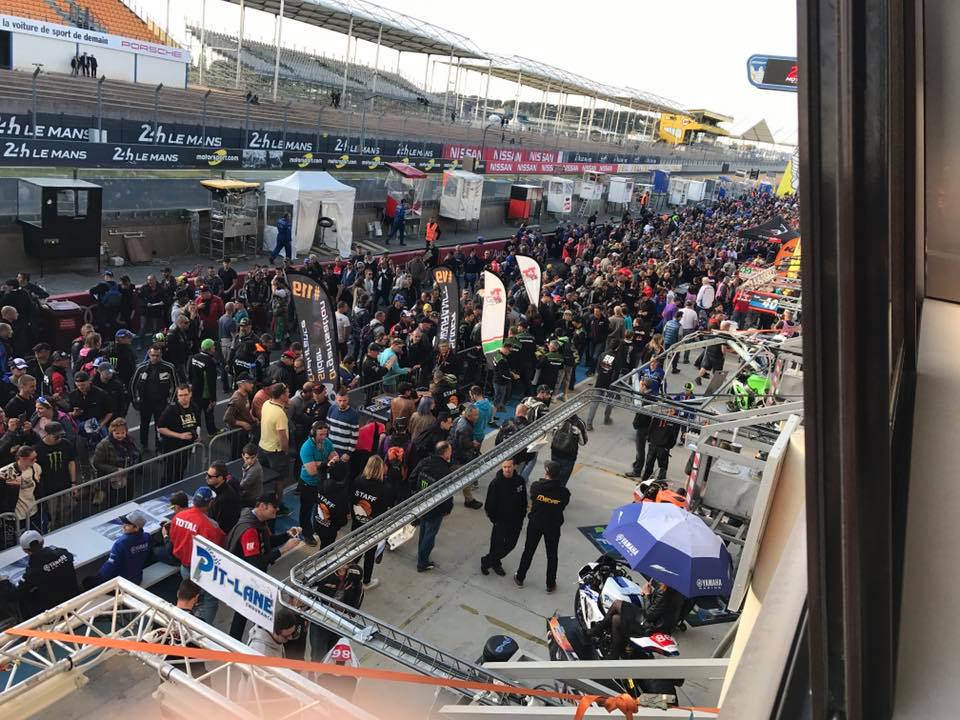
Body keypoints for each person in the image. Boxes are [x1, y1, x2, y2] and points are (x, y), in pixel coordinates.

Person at [225, 493, 301, 640]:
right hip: (247, 579)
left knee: (254, 612)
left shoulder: (259, 523)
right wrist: (284, 549)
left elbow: (267, 542)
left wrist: (287, 535)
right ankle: (237, 644)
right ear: (262, 506)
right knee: (244, 613)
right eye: (274, 507)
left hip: (253, 577)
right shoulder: (250, 530)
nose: (277, 509)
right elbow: (256, 563)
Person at [169, 486, 225, 625]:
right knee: (208, 601)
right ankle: (203, 631)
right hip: (202, 572)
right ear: (210, 503)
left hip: (185, 567)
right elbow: (218, 551)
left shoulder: (178, 517)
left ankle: (183, 625)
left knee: (188, 598)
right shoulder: (211, 526)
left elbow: (173, 539)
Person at [589, 580, 686, 659]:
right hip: (665, 625)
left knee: (617, 604)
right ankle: (614, 653)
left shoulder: (664, 590)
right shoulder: (679, 590)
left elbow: (649, 615)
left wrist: (646, 595)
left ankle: (597, 630)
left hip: (651, 625)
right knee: (616, 619)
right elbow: (663, 608)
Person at [513, 460, 570, 593]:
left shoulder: (536, 487)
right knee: (552, 554)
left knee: (528, 551)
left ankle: (520, 577)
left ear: (547, 473)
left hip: (536, 524)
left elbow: (533, 497)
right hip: (553, 526)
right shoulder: (564, 493)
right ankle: (550, 584)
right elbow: (563, 505)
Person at [350, 455, 395, 590]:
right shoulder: (385, 487)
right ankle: (366, 581)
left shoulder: (357, 480)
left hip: (357, 523)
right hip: (373, 526)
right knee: (370, 553)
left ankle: (348, 573)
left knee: (355, 551)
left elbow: (351, 499)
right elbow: (387, 508)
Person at [409, 440, 453, 572]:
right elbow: (448, 493)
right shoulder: (445, 470)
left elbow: (412, 478)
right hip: (436, 508)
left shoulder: (425, 462)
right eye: (450, 450)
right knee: (430, 534)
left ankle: (421, 555)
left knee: (423, 529)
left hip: (421, 503)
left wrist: (415, 493)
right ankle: (422, 562)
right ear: (445, 453)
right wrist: (447, 509)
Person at [16, 529, 79, 618]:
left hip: (54, 609)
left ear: (25, 550)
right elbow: (69, 557)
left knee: (24, 597)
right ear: (42, 541)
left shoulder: (33, 571)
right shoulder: (64, 553)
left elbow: (20, 589)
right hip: (74, 598)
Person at [480, 458, 527, 577]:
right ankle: (495, 563)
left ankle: (486, 560)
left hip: (515, 521)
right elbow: (489, 504)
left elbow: (523, 500)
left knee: (510, 545)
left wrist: (521, 516)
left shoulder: (520, 481)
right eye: (504, 467)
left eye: (509, 466)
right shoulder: (496, 483)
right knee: (496, 544)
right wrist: (494, 520)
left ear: (514, 466)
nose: (507, 469)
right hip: (501, 521)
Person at [309, 560, 364, 659]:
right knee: (318, 654)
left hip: (340, 621)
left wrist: (350, 616)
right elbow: (310, 588)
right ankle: (313, 673)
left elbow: (358, 593)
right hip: (320, 617)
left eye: (347, 562)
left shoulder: (355, 574)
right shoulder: (325, 572)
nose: (343, 565)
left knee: (334, 653)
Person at [131, 345, 178, 451]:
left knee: (160, 426)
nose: (155, 358)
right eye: (153, 355)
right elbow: (132, 385)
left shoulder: (169, 367)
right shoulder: (141, 367)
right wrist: (135, 400)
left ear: (161, 355)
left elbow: (176, 385)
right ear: (149, 355)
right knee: (144, 425)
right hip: (145, 403)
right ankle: (143, 445)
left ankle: (159, 447)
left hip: (161, 403)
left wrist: (171, 401)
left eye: (157, 355)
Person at [299, 422, 338, 546]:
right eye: (320, 434)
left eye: (325, 434)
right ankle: (306, 533)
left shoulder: (327, 442)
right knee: (306, 510)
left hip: (322, 483)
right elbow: (311, 471)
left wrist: (318, 463)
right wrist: (326, 463)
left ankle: (318, 527)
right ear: (313, 433)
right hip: (308, 483)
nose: (323, 437)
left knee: (321, 507)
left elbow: (336, 458)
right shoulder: (306, 448)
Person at [32, 421, 76, 531]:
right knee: (51, 515)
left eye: (61, 435)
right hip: (48, 490)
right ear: (46, 434)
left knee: (66, 512)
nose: (59, 438)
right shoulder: (37, 449)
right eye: (56, 435)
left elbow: (71, 462)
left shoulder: (66, 444)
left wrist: (74, 483)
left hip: (65, 485)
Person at [92, 509, 151, 586]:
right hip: (137, 579)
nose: (123, 526)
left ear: (136, 528)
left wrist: (99, 577)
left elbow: (111, 565)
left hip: (121, 584)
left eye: (127, 525)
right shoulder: (147, 537)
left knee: (88, 582)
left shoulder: (121, 543)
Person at [258, 383, 291, 514]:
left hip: (262, 447)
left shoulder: (266, 404)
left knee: (265, 480)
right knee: (279, 480)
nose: (289, 394)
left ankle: (264, 503)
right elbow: (282, 436)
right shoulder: (280, 414)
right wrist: (286, 450)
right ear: (282, 395)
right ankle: (277, 506)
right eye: (287, 392)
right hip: (276, 453)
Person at [92, 417, 141, 505]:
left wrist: (134, 464)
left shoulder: (130, 440)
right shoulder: (104, 445)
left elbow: (136, 453)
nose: (120, 435)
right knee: (113, 500)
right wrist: (115, 470)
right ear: (111, 431)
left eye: (123, 433)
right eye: (117, 433)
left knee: (128, 498)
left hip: (128, 475)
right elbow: (97, 463)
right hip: (112, 479)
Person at [156, 384, 200, 483]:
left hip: (186, 448)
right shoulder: (171, 409)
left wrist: (197, 436)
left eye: (185, 395)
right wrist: (179, 435)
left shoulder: (195, 407)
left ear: (190, 394)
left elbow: (197, 425)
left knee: (180, 472)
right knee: (169, 474)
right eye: (180, 395)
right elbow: (160, 428)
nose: (183, 398)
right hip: (172, 447)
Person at [1, 446, 42, 535]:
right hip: (14, 516)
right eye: (32, 459)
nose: (35, 460)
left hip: (32, 512)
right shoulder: (6, 472)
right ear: (22, 459)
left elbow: (38, 489)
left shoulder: (36, 468)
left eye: (36, 457)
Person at [449, 404, 483, 509]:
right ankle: (468, 500)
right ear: (468, 415)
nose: (477, 417)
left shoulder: (458, 420)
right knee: (465, 477)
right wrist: (473, 444)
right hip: (460, 457)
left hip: (454, 454)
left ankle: (468, 500)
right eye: (475, 415)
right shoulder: (465, 428)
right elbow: (463, 445)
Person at [189, 338, 220, 434]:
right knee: (209, 414)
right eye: (213, 346)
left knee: (196, 415)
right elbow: (211, 382)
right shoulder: (210, 362)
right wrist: (213, 398)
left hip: (195, 391)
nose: (214, 347)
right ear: (209, 349)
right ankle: (212, 431)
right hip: (205, 393)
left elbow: (189, 373)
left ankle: (196, 435)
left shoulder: (194, 357)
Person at [549, 413, 588, 486]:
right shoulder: (579, 423)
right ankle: (557, 494)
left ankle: (548, 492)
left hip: (555, 451)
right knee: (562, 479)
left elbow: (552, 433)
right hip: (569, 455)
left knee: (552, 475)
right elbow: (583, 442)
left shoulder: (559, 418)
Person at [206, 461, 242, 534]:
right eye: (206, 474)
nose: (206, 478)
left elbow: (221, 526)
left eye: (210, 476)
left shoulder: (225, 498)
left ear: (220, 478)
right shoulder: (215, 487)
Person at [492, 344, 519, 418]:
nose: (510, 352)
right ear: (505, 348)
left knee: (497, 399)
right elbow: (504, 374)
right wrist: (513, 376)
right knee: (497, 400)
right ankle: (491, 418)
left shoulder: (497, 355)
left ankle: (493, 416)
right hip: (500, 382)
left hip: (497, 381)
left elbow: (504, 370)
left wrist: (511, 373)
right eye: (509, 350)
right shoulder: (502, 360)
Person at [239, 443, 264, 507]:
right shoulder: (248, 464)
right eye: (247, 458)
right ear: (242, 456)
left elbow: (242, 485)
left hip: (252, 498)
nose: (250, 461)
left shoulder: (255, 470)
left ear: (256, 456)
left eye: (252, 458)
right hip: (249, 494)